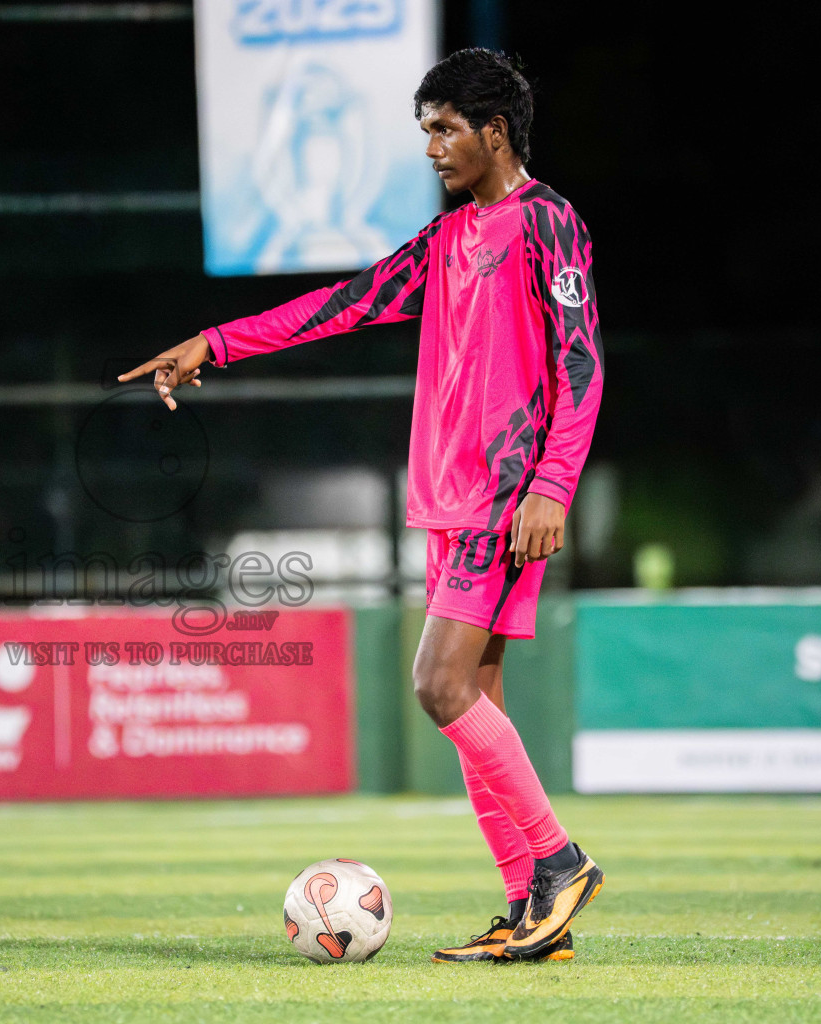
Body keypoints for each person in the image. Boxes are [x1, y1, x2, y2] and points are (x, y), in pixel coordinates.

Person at [120, 48, 604, 963]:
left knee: (438, 686)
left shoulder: (547, 222)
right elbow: (342, 304)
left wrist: (551, 483)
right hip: (451, 501)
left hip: (504, 494)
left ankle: (560, 862)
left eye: (445, 130)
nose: (431, 148)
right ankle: (528, 910)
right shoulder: (448, 240)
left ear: (495, 130)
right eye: (426, 131)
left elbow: (582, 360)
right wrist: (215, 343)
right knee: (475, 705)